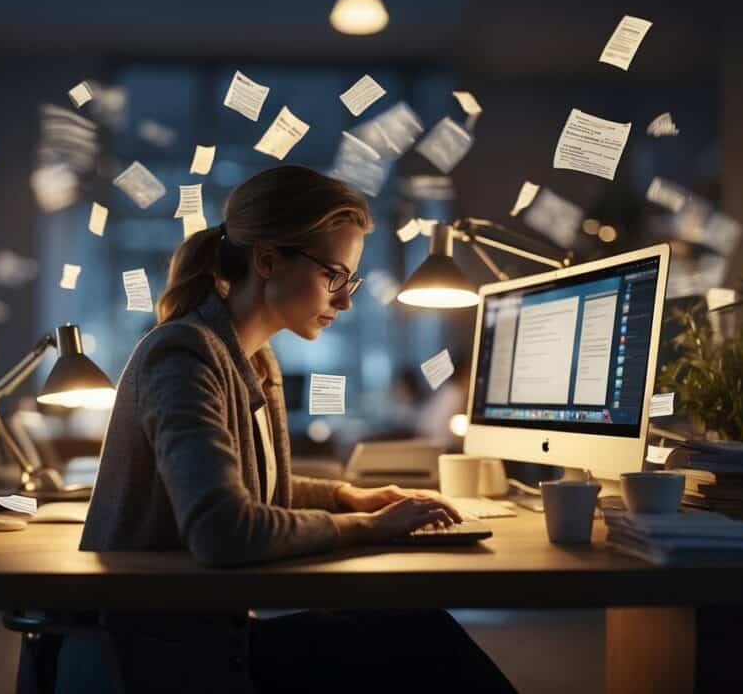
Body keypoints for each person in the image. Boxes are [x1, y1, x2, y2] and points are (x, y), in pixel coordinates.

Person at [76, 165, 515, 693]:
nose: (346, 299)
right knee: (424, 644)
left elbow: (255, 490)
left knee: (416, 627)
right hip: (165, 660)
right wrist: (367, 528)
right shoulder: (184, 354)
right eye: (334, 275)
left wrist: (348, 497)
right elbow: (223, 530)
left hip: (212, 634)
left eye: (349, 280)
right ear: (266, 258)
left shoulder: (252, 358)